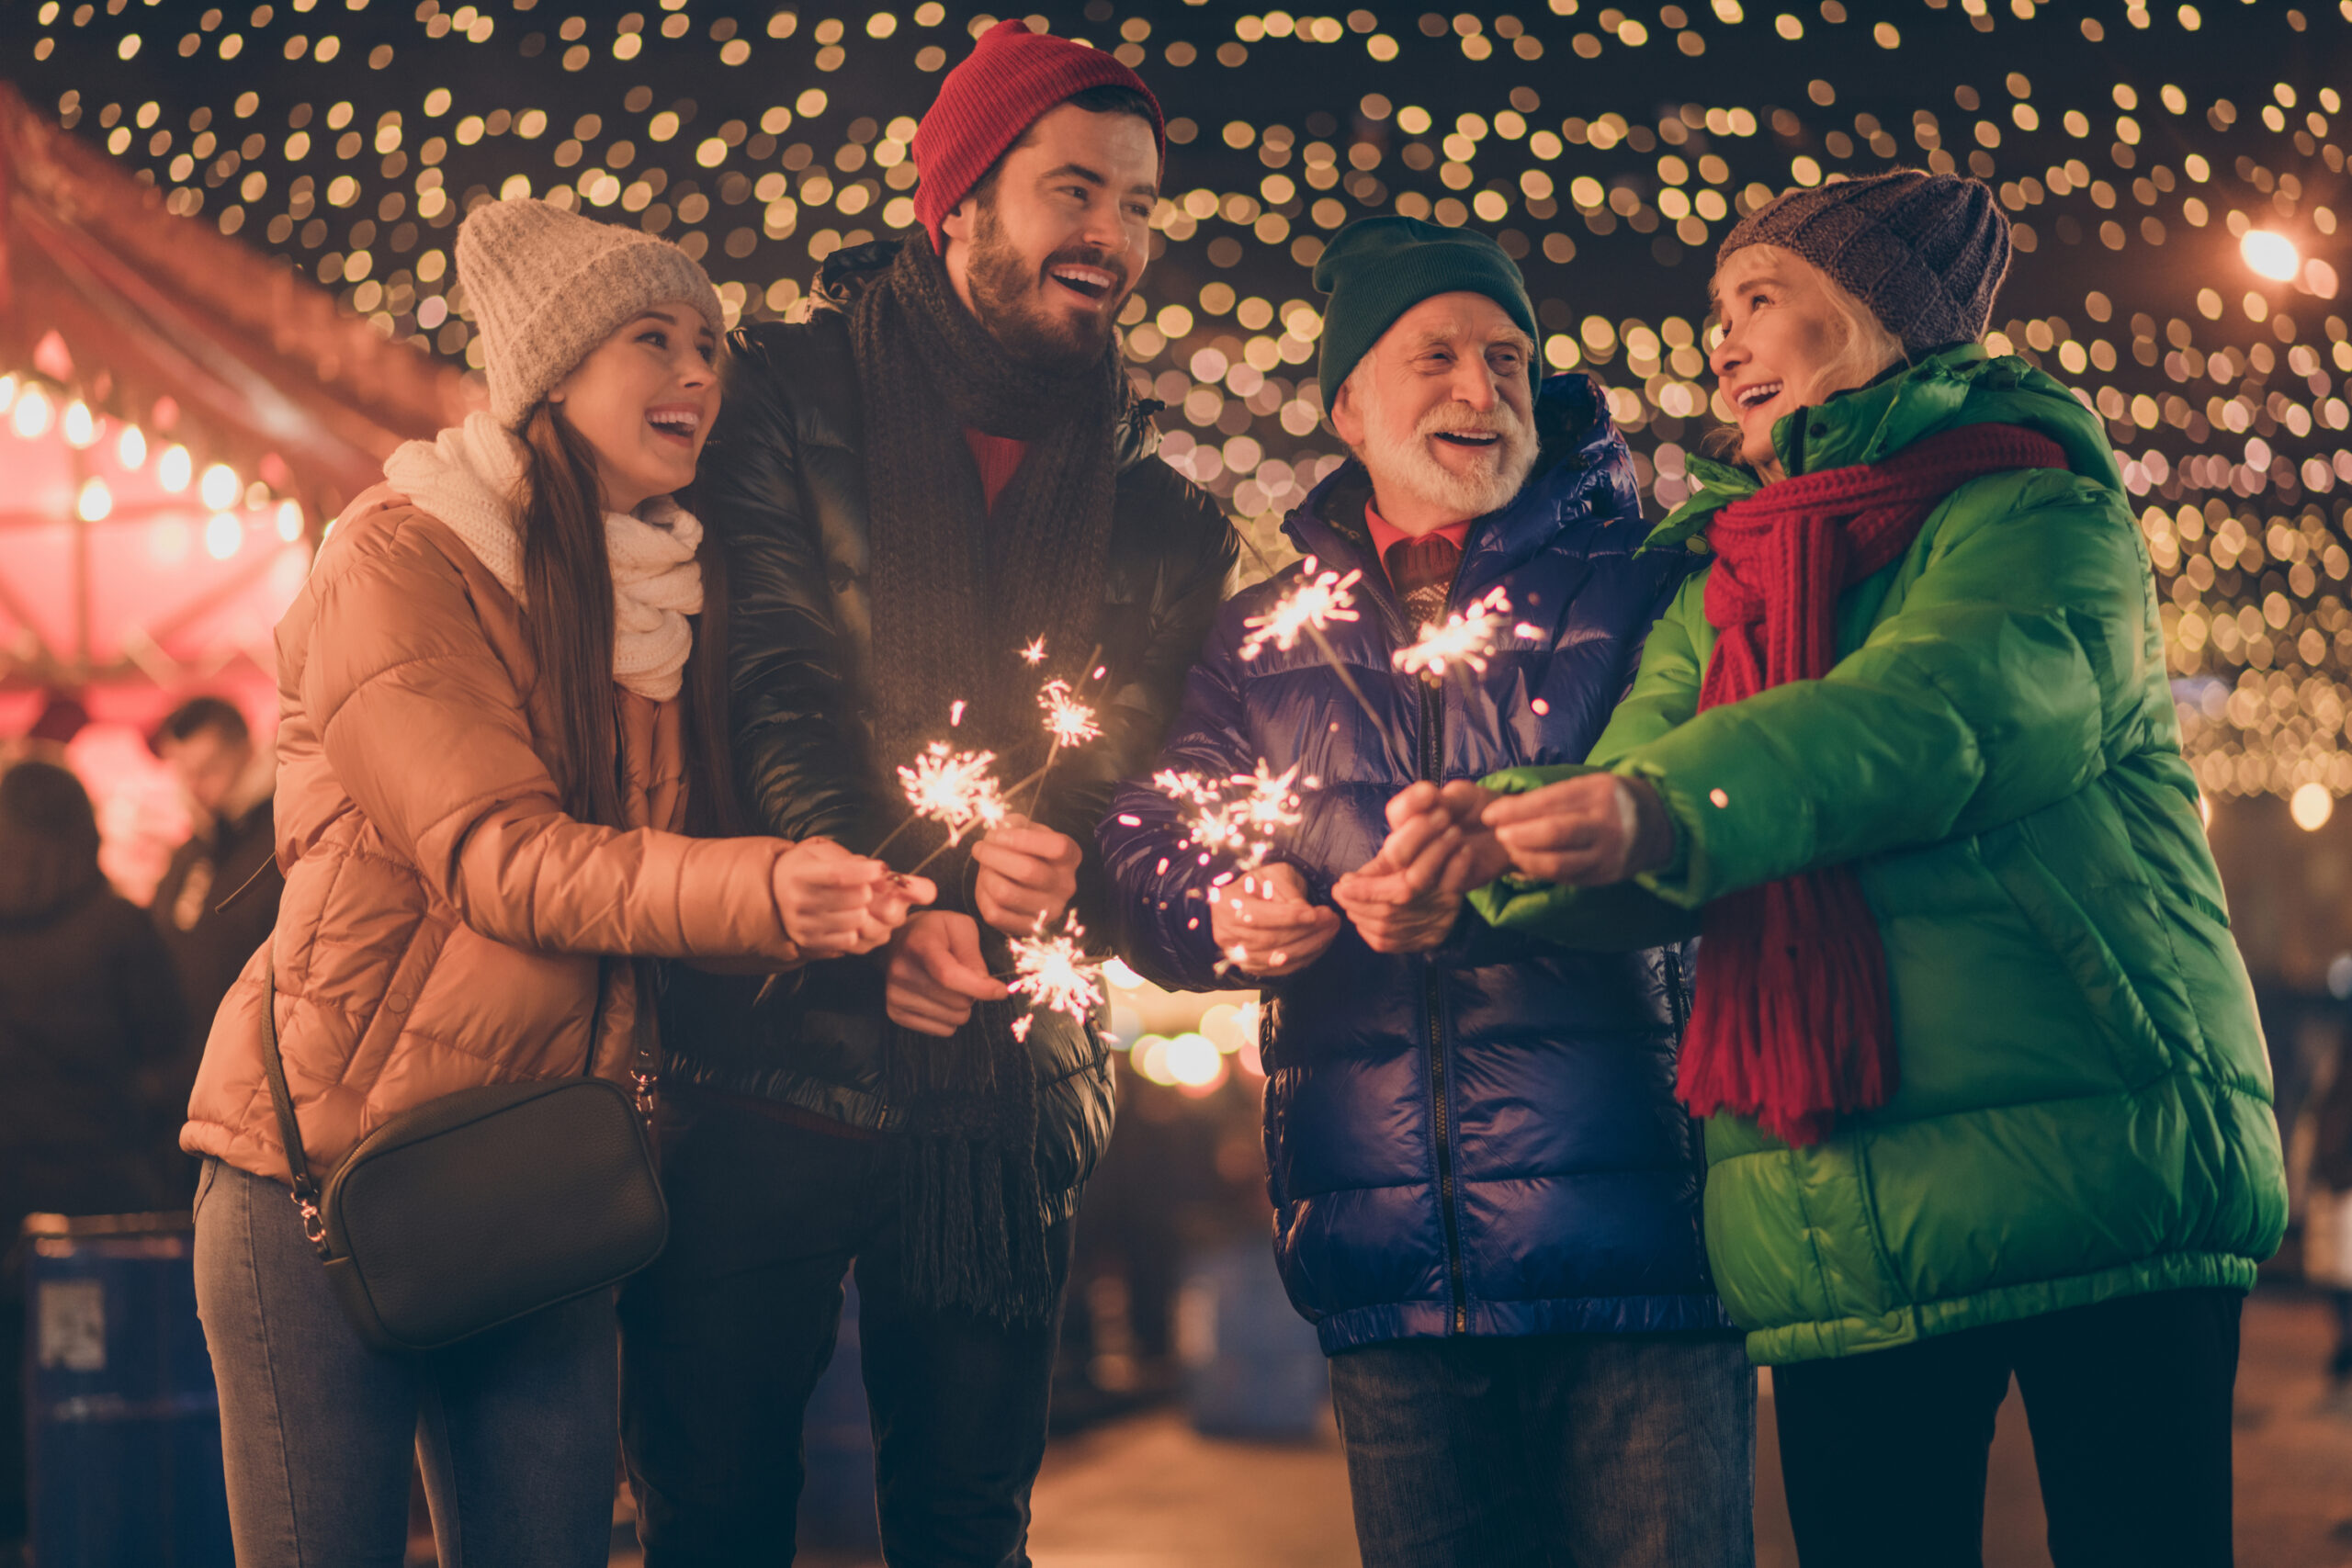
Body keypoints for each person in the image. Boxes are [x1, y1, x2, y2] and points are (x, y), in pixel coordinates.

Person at [1383, 171, 2287, 1567]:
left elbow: (1937, 715)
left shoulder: (2033, 508)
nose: (1722, 345)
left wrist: (1659, 805)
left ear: (1874, 318)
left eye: (1759, 304)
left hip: (2101, 1153)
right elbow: (1637, 783)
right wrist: (1490, 847)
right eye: (1716, 314)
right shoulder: (1718, 574)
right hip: (1828, 1192)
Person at [180, 198, 926, 1568]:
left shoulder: (667, 609)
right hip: (323, 1180)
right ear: (550, 371)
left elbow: (664, 900)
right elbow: (499, 860)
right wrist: (762, 889)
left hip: (544, 1184)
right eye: (654, 338)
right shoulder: (397, 559)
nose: (699, 372)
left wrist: (876, 918)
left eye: (708, 342)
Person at [627, 22, 1233, 1565]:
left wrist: (1071, 865)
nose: (1116, 234)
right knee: (717, 1513)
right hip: (767, 1050)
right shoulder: (779, 392)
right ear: (959, 202)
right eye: (1075, 190)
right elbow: (765, 670)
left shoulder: (1162, 514)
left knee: (970, 1523)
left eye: (1144, 203)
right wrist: (882, 907)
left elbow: (1138, 762)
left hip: (1001, 1088)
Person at [1101, 215, 1750, 1568]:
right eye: (1438, 355)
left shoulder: (1648, 586)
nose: (1482, 387)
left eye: (1509, 356)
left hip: (1635, 1247)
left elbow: (1712, 834)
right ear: (1346, 402)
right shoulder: (1262, 633)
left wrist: (1495, 878)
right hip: (1386, 1256)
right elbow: (1151, 836)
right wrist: (1227, 906)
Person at [0, 759, 188, 1550]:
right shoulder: (119, 927)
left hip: (9, 1208)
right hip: (109, 1212)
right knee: (114, 1397)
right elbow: (175, 1061)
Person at [149, 696, 280, 1120]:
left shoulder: (281, 842)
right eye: (185, 773)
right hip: (183, 1083)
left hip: (255, 1088)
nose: (196, 786)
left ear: (245, 751)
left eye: (208, 769)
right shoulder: (191, 852)